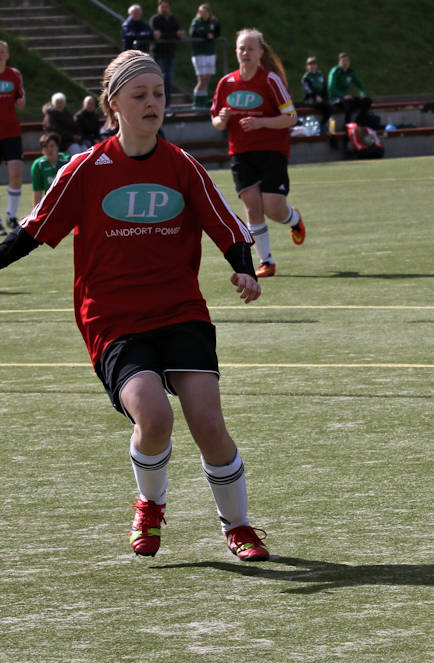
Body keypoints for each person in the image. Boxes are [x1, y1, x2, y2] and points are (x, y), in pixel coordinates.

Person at [0, 51, 269, 561]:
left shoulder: (181, 165)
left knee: (208, 423)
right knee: (153, 416)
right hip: (114, 318)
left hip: (179, 309)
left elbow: (228, 226)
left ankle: (239, 526)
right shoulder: (84, 169)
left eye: (159, 94)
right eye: (139, 95)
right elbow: (32, 231)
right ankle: (149, 504)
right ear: (113, 104)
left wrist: (243, 267)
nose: (152, 103)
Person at [211, 28, 305, 277]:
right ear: (236, 52)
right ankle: (267, 262)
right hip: (240, 153)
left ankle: (294, 219)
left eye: (251, 48)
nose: (246, 53)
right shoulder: (226, 83)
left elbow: (291, 117)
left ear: (261, 52)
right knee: (252, 208)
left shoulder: (270, 80)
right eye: (242, 48)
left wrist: (261, 123)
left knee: (273, 209)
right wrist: (222, 119)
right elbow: (216, 122)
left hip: (272, 150)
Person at [0, 41, 24, 232]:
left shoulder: (14, 75)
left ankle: (11, 216)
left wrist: (21, 99)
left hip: (11, 132)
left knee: (16, 174)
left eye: (2, 52)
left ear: (7, 55)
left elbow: (21, 101)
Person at [150, 0, 185, 104]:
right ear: (158, 8)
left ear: (169, 8)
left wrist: (175, 35)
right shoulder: (155, 19)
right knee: (160, 81)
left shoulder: (173, 19)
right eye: (162, 7)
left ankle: (167, 105)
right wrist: (174, 34)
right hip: (158, 54)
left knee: (169, 81)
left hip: (170, 53)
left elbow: (178, 35)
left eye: (166, 7)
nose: (164, 9)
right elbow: (157, 35)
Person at [327, 51, 370, 131]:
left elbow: (360, 84)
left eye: (347, 61)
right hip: (334, 98)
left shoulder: (350, 72)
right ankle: (347, 125)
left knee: (367, 101)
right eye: (343, 61)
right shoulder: (335, 71)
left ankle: (359, 122)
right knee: (349, 102)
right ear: (339, 62)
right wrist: (343, 95)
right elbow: (331, 88)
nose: (345, 63)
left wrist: (363, 93)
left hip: (346, 97)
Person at [188, 3, 220, 109]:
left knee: (207, 78)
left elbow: (217, 32)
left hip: (210, 52)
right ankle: (196, 102)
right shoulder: (196, 22)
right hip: (199, 53)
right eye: (201, 12)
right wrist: (206, 35)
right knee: (201, 79)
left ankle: (203, 102)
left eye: (205, 12)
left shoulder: (213, 21)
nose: (203, 14)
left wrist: (213, 35)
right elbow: (193, 33)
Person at [300, 55, 334, 145]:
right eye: (309, 64)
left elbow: (325, 89)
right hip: (310, 99)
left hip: (321, 99)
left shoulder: (320, 75)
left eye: (313, 63)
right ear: (307, 66)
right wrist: (315, 96)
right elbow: (308, 90)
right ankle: (321, 126)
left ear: (316, 65)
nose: (312, 65)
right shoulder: (306, 77)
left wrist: (326, 98)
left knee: (331, 106)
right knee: (324, 106)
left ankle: (324, 124)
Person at [29, 132, 68, 206]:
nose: (49, 149)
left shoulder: (67, 161)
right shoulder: (38, 165)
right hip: (50, 203)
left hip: (68, 200)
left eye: (52, 146)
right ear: (42, 150)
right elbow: (38, 191)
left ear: (57, 147)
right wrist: (35, 214)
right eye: (45, 147)